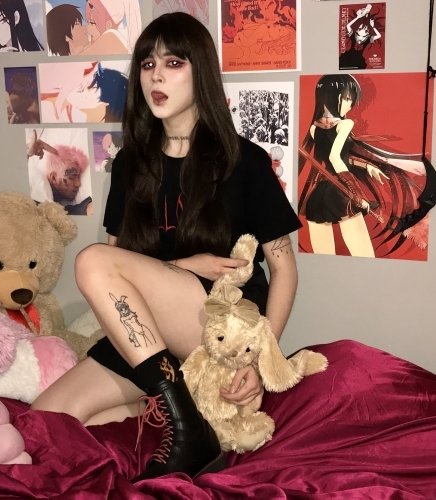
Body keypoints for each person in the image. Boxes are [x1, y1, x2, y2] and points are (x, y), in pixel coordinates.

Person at [32, 12, 301, 481]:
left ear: (201, 72)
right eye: (147, 64)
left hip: (216, 322)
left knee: (91, 260)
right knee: (46, 419)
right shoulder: (130, 164)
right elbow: (118, 270)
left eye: (173, 63)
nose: (156, 76)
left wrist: (263, 360)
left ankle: (186, 426)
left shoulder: (243, 160)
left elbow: (284, 269)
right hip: (150, 336)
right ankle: (184, 408)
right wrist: (183, 264)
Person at [298, 74, 425, 258]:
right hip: (341, 194)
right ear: (333, 96)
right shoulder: (345, 124)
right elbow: (335, 158)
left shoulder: (314, 128)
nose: (350, 105)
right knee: (364, 256)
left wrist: (366, 166)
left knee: (323, 259)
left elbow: (335, 159)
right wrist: (357, 195)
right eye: (347, 98)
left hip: (318, 196)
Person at [339, 4, 382, 70]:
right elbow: (348, 26)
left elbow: (379, 35)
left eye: (364, 34)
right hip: (347, 57)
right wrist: (358, 17)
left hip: (358, 61)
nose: (360, 37)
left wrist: (372, 27)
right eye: (359, 34)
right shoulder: (353, 34)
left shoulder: (368, 38)